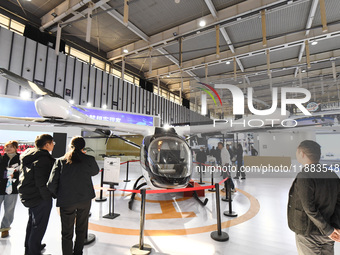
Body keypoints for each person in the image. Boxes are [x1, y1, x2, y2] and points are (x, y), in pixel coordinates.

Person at [47, 136, 99, 255]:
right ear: (83, 147)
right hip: (84, 199)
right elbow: (95, 172)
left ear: (71, 146)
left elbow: (51, 184)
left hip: (66, 200)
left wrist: (58, 195)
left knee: (66, 232)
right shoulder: (89, 159)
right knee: (81, 229)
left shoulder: (60, 161)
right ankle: (78, 252)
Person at [288, 140, 340, 255]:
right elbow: (338, 203)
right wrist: (334, 227)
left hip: (309, 233)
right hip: (329, 232)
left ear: (302, 154)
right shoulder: (332, 175)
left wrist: (329, 230)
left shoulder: (305, 175)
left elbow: (309, 208)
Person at [18, 134, 55, 255]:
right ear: (47, 144)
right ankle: (33, 252)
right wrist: (47, 197)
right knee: (38, 226)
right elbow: (41, 182)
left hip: (29, 194)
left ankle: (31, 247)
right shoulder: (43, 159)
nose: (53, 145)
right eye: (52, 143)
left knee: (32, 223)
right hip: (39, 197)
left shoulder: (30, 155)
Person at [0, 140, 20, 238]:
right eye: (6, 147)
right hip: (0, 187)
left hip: (12, 188)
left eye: (11, 146)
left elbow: (23, 173)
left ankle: (5, 229)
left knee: (9, 209)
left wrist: (15, 175)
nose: (8, 148)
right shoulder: (1, 158)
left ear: (16, 148)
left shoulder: (20, 159)